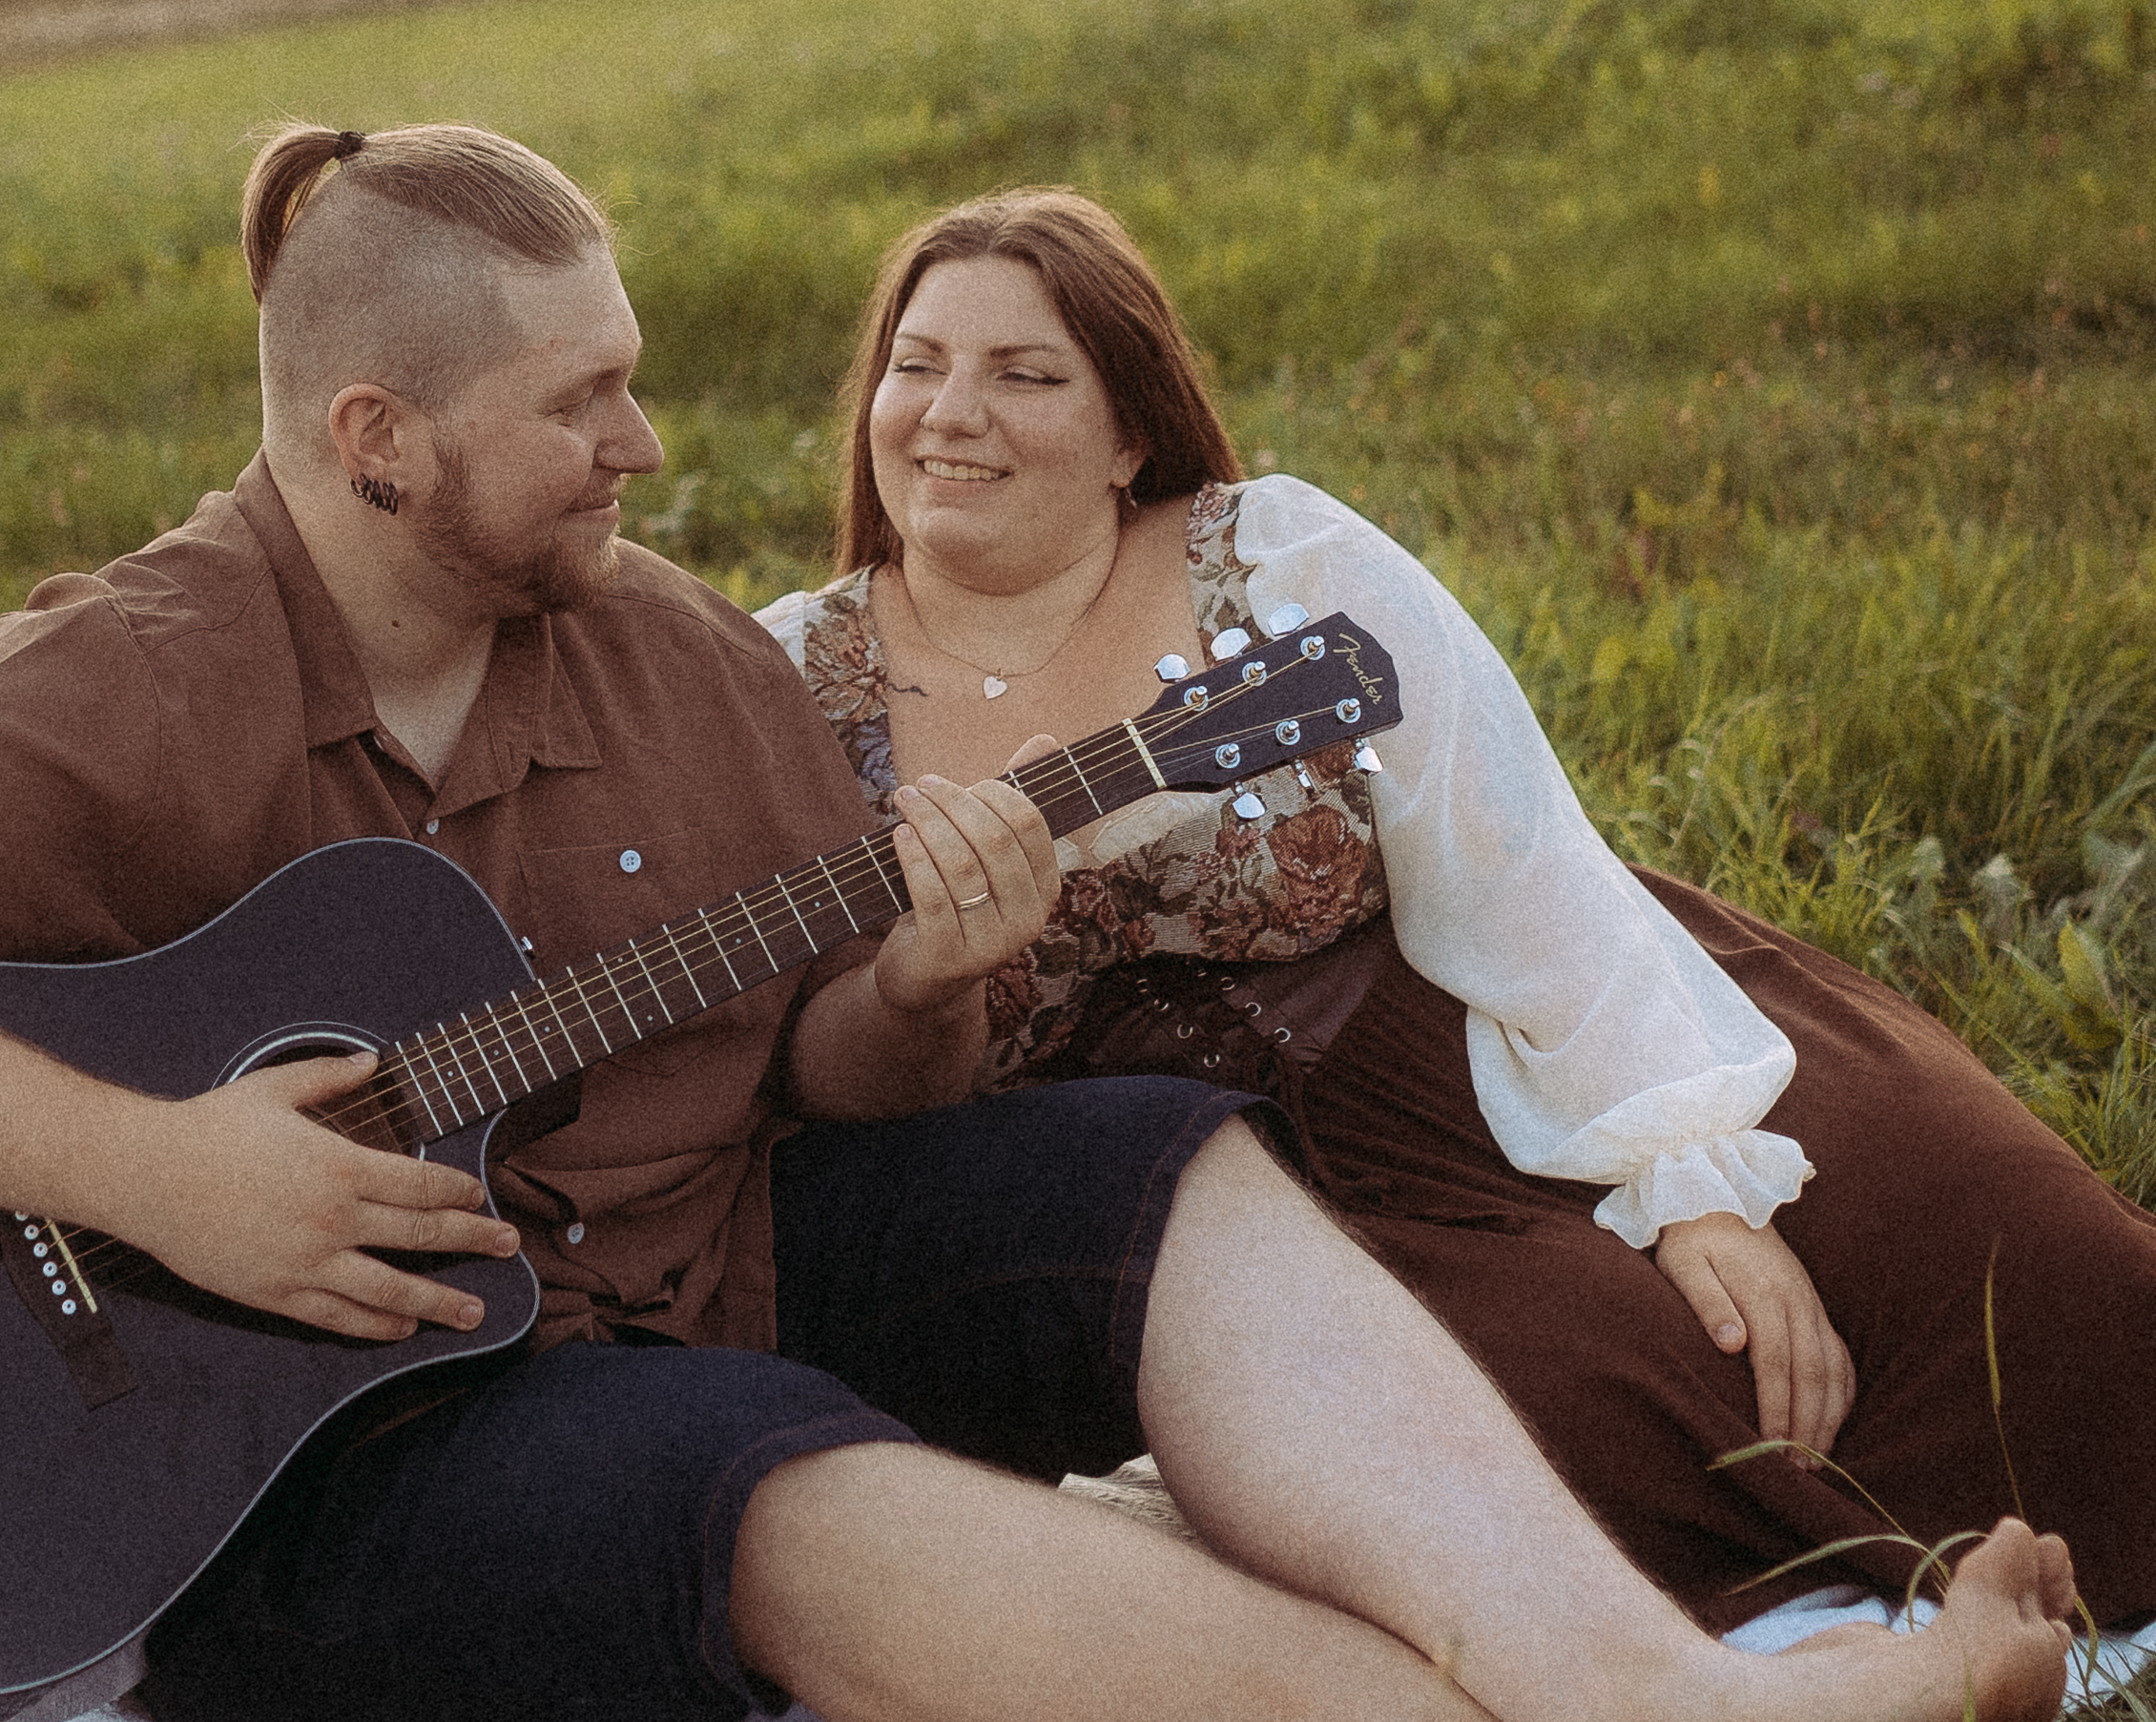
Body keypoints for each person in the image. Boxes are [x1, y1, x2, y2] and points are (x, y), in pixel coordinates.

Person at [0, 121, 2077, 1722]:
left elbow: (827, 1082)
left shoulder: (662, 658)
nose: (653, 440)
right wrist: (155, 1168)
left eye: (634, 372)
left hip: (693, 1258)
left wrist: (915, 975)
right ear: (375, 443)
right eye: (582, 402)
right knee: (731, 1461)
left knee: (1129, 1168)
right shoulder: (140, 676)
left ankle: (1640, 1710)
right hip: (276, 1463)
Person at [757, 188, 2156, 1636]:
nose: (947, 414)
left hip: (1510, 1010)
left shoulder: (1279, 567)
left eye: (1022, 373)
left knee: (2015, 1251)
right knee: (1595, 1396)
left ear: (1128, 434)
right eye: (914, 366)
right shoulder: (784, 683)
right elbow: (800, 1086)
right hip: (1227, 1193)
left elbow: (1518, 863)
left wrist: (1686, 1177)